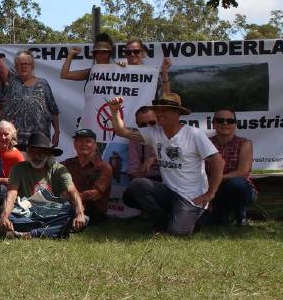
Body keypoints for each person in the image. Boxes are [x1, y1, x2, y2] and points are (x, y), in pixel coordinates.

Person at [108, 94, 223, 236]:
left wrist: (210, 193)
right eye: (158, 110)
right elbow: (121, 131)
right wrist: (114, 111)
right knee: (138, 185)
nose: (159, 114)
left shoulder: (194, 134)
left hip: (190, 198)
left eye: (164, 110)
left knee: (177, 233)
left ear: (177, 113)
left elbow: (218, 161)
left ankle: (194, 217)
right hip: (168, 191)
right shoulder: (154, 132)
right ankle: (161, 225)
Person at [0, 133, 89, 239]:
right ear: (27, 153)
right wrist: (5, 216)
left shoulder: (58, 169)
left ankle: (31, 233)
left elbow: (72, 191)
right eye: (33, 152)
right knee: (11, 217)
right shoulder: (18, 169)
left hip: (53, 212)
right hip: (27, 214)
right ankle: (55, 230)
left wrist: (80, 214)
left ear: (48, 154)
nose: (37, 156)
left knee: (83, 218)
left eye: (41, 153)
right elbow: (11, 193)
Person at [208, 108, 256, 226]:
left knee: (237, 183)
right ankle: (226, 214)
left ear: (235, 125)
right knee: (213, 222)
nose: (225, 123)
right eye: (220, 120)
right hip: (210, 188)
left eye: (229, 121)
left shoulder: (245, 143)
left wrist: (217, 178)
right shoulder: (205, 142)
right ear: (213, 124)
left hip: (237, 187)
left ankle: (241, 215)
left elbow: (243, 172)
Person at [2, 50, 60, 146]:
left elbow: (54, 110)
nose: (23, 67)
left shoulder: (43, 84)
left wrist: (57, 132)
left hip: (39, 138)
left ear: (32, 66)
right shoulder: (11, 83)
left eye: (26, 64)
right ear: (16, 67)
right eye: (20, 64)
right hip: (15, 138)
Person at [62, 128, 113, 223]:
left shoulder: (104, 167)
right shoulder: (65, 165)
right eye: (80, 141)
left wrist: (71, 198)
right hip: (70, 205)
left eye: (88, 141)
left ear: (95, 145)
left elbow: (95, 194)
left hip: (94, 210)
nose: (83, 144)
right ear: (74, 144)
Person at [127, 107, 163, 182]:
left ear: (159, 121)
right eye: (143, 125)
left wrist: (154, 158)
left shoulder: (168, 135)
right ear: (138, 125)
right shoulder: (135, 139)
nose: (148, 127)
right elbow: (133, 172)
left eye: (152, 123)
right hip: (146, 180)